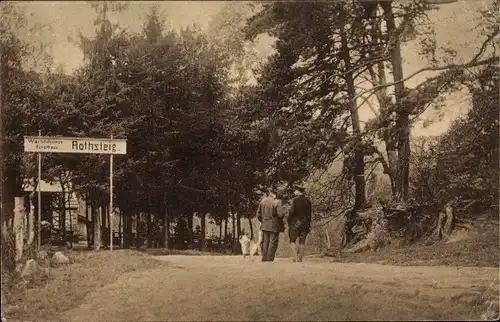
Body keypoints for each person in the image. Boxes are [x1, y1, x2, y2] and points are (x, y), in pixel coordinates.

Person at [256, 188, 285, 262]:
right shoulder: (278, 202)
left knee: (265, 242)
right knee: (273, 242)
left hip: (265, 224)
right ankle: (269, 259)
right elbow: (280, 215)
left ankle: (264, 258)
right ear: (276, 193)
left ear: (270, 192)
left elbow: (258, 214)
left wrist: (263, 221)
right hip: (274, 225)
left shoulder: (263, 201)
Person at [288, 186, 312, 262]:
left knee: (292, 240)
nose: (294, 191)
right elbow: (309, 214)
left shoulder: (295, 201)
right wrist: (308, 224)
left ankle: (295, 257)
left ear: (298, 192)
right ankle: (300, 259)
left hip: (296, 222)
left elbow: (291, 212)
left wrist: (289, 221)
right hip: (305, 223)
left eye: (296, 190)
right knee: (302, 241)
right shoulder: (308, 201)